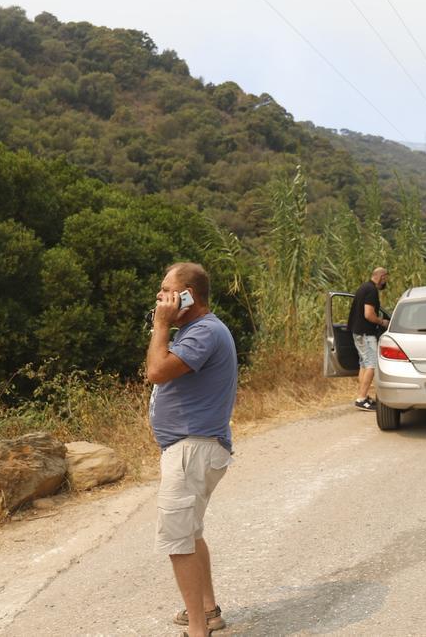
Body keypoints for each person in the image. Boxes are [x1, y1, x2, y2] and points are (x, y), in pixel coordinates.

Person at [146, 262, 237, 637]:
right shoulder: (198, 330)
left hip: (191, 450)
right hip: (192, 448)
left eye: (167, 291)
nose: (160, 296)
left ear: (189, 296)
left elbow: (156, 371)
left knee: (179, 540)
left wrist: (161, 326)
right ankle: (207, 611)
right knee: (191, 533)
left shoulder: (204, 332)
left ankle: (198, 630)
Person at [348, 267, 390, 410]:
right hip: (366, 333)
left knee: (364, 364)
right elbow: (368, 314)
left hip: (358, 332)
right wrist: (382, 322)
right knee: (372, 365)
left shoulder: (363, 287)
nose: (385, 281)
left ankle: (364, 396)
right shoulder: (372, 291)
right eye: (385, 278)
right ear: (381, 276)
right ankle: (361, 399)